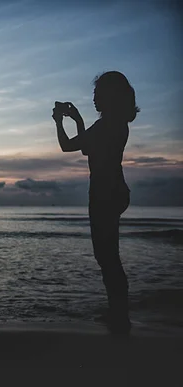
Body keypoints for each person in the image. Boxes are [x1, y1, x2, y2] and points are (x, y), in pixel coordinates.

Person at [52, 71, 140, 334]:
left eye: (97, 93)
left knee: (107, 257)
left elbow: (68, 146)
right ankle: (117, 312)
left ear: (109, 96)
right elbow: (88, 148)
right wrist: (78, 119)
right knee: (108, 256)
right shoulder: (116, 124)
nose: (94, 98)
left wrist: (59, 122)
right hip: (115, 191)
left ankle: (119, 315)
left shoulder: (107, 126)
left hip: (104, 193)